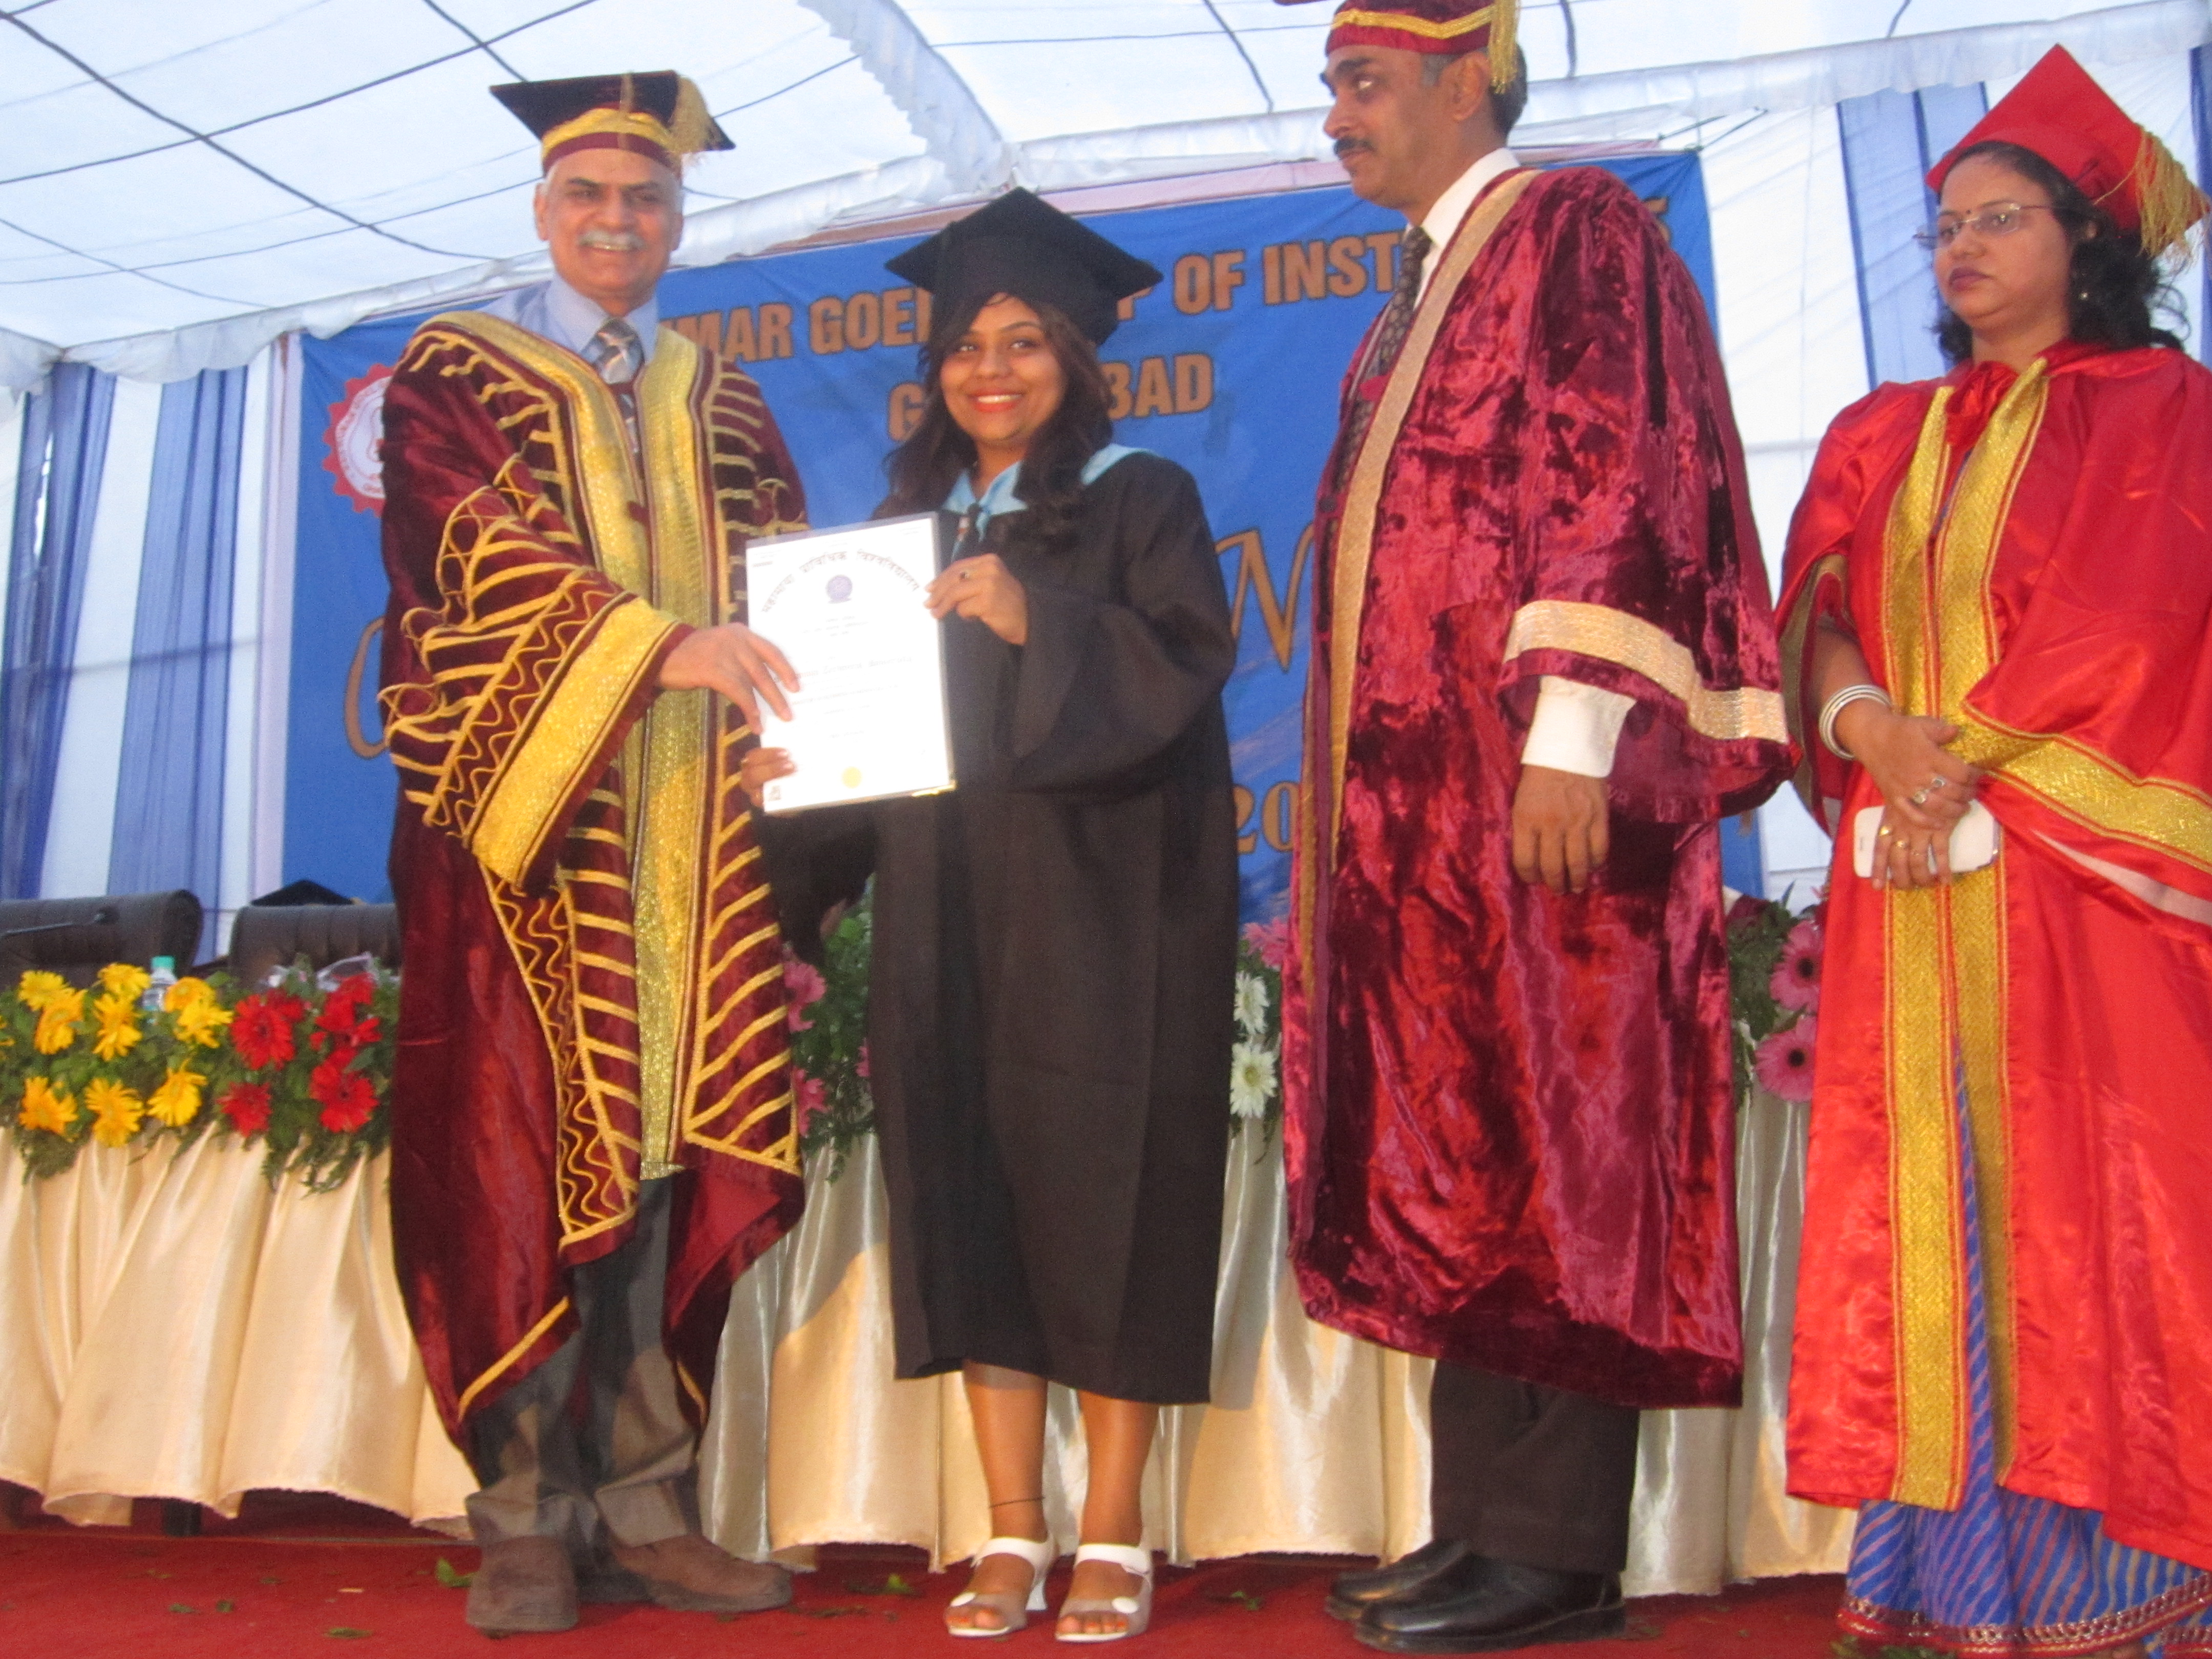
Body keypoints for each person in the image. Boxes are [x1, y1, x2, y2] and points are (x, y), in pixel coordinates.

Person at [1269, 2, 1793, 1651]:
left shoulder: (1570, 226)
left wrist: (1575, 732)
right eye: (1334, 87)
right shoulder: (1419, 293)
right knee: (1470, 1156)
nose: (1337, 117)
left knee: (1564, 1144)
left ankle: (1557, 1554)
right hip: (1432, 827)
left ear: (1466, 78)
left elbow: (1619, 473)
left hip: (1539, 796)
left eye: (1364, 83)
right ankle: (1477, 1526)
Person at [746, 188, 1239, 1644]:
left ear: (1077, 356)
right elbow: (871, 758)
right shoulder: (901, 536)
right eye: (966, 344)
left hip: (1107, 920)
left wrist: (1042, 620)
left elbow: (1184, 670)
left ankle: (1117, 1532)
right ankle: (1014, 1527)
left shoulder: (1143, 498)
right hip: (946, 920)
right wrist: (798, 797)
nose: (992, 369)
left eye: (1025, 340)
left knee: (1109, 1207)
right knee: (972, 1199)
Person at [1778, 46, 2212, 1659]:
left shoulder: (2169, 413)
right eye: (1944, 225)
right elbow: (1819, 614)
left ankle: (2132, 1592)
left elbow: (2134, 629)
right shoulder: (1879, 429)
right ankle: (1960, 1593)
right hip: (1913, 887)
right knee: (1935, 1218)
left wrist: (1953, 770)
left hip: (2086, 894)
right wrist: (1873, 735)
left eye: (1999, 218)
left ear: (2087, 241)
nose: (1959, 246)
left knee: (2104, 1214)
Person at [377, 72, 810, 1637]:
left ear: (681, 222)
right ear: (542, 212)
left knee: (667, 1159)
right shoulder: (454, 376)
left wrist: (798, 730)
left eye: (647, 199)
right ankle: (523, 1518)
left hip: (694, 848)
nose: (617, 222)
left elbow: (787, 585)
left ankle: (647, 1504)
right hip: (525, 854)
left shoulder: (728, 399)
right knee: (515, 1160)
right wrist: (658, 649)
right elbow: (467, 555)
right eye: (589, 197)